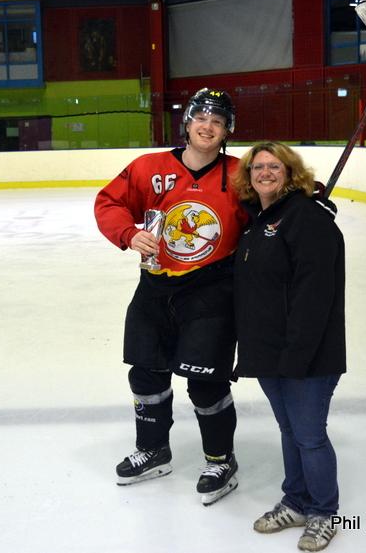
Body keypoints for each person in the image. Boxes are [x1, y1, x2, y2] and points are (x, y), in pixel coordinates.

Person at [94, 88, 247, 506]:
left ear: (227, 130)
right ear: (188, 122)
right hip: (155, 288)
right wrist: (128, 233)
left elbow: (276, 204)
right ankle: (155, 449)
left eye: (217, 121)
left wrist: (307, 201)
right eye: (201, 117)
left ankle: (220, 459)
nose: (207, 126)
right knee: (146, 374)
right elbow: (109, 202)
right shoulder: (149, 167)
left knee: (205, 381)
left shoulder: (240, 174)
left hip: (212, 290)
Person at [231, 142, 345, 552]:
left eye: (273, 166)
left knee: (310, 435)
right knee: (289, 429)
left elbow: (315, 296)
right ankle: (296, 500)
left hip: (306, 354)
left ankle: (323, 512)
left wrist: (297, 356)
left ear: (290, 171)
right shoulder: (259, 220)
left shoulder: (306, 218)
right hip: (270, 352)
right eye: (257, 166)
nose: (264, 172)